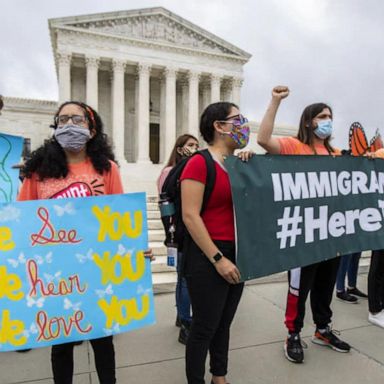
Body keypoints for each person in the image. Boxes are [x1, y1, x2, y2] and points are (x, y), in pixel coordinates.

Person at [18, 101, 153, 383]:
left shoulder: (108, 169)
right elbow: (23, 221)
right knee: (61, 344)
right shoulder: (37, 171)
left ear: (92, 129)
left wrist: (135, 248)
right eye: (63, 119)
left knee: (103, 343)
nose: (69, 125)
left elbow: (119, 220)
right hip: (56, 275)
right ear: (55, 127)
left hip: (97, 273)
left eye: (77, 120)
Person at [257, 86, 351, 364]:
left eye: (330, 116)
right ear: (310, 121)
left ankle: (323, 329)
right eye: (322, 116)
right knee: (299, 288)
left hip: (332, 233)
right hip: (303, 236)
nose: (327, 120)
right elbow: (262, 139)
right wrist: (275, 101)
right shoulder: (293, 147)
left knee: (325, 286)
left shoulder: (336, 153)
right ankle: (293, 333)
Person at [181, 102, 250, 384]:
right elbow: (190, 215)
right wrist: (218, 259)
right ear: (219, 126)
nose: (244, 124)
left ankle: (219, 376)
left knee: (224, 323)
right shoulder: (199, 162)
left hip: (239, 252)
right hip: (208, 254)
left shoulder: (239, 164)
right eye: (238, 119)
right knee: (204, 327)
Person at [157, 134, 199, 345]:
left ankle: (181, 315)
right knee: (183, 279)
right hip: (178, 233)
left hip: (191, 231)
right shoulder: (169, 172)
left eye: (196, 145)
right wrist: (171, 234)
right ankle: (185, 322)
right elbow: (166, 203)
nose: (194, 148)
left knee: (184, 278)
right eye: (190, 145)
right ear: (180, 148)